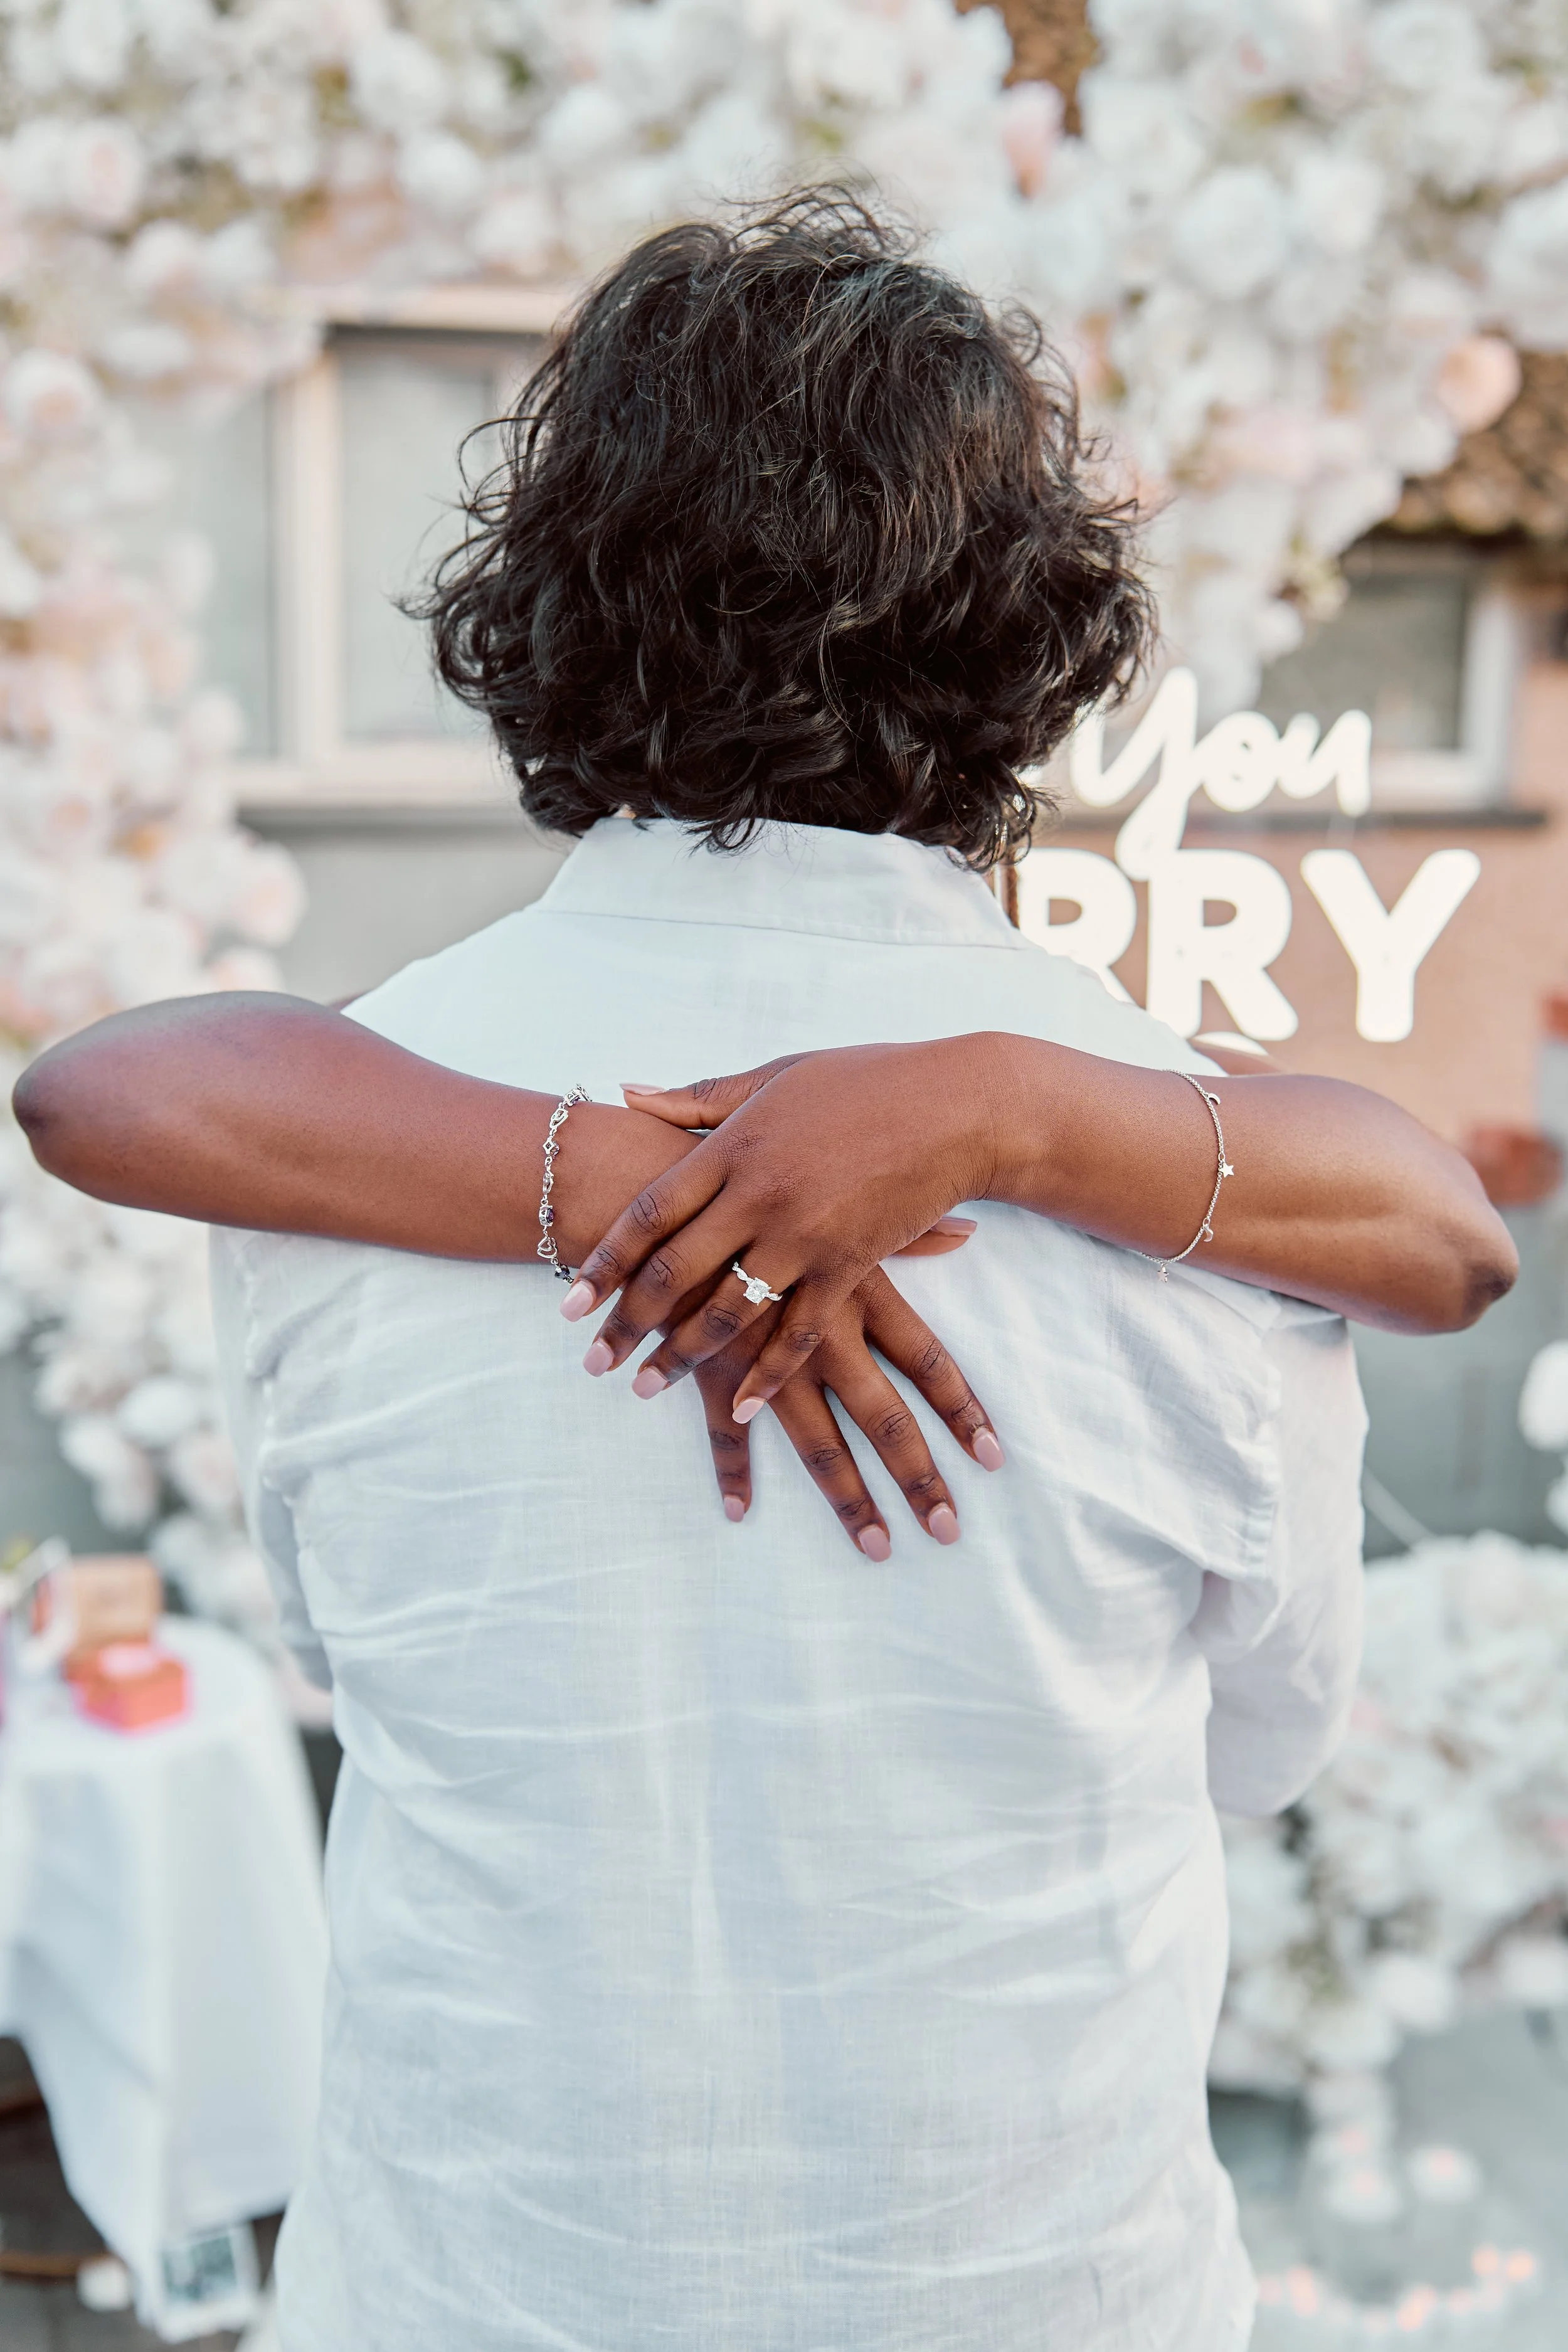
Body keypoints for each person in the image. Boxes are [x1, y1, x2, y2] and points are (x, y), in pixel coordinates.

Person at [16, 194, 1513, 2352]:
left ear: (557, 605)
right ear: (1033, 637)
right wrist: (669, 1179)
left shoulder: (336, 1138)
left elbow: (348, 1641)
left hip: (473, 2290)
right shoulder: (1210, 1206)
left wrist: (974, 1112)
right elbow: (1256, 1742)